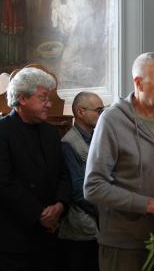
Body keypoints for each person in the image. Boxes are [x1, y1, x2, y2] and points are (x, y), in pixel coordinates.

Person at [84, 52, 154, 270]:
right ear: (139, 83)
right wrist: (148, 204)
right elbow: (93, 187)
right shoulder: (112, 120)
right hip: (124, 244)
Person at [0, 67, 71, 271]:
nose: (49, 104)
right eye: (43, 98)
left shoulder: (50, 132)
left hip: (49, 236)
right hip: (13, 239)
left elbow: (64, 174)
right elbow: (1, 181)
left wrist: (60, 206)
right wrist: (40, 214)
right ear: (22, 98)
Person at [59, 91, 103, 271]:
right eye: (98, 110)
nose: (101, 115)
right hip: (81, 227)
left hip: (98, 222)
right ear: (80, 112)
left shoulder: (96, 137)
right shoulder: (68, 143)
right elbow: (77, 190)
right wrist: (104, 212)